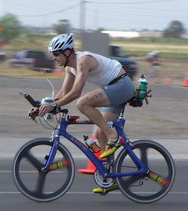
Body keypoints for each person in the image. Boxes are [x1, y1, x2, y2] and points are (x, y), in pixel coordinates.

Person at [29, 33, 135, 193]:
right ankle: (111, 176)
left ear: (67, 52)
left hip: (121, 85)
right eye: (53, 55)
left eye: (56, 54)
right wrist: (42, 108)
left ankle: (114, 136)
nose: (54, 58)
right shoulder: (70, 68)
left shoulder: (82, 61)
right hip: (112, 88)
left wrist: (55, 105)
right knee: (100, 134)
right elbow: (64, 92)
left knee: (83, 103)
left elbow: (76, 92)